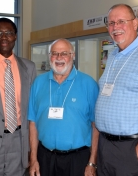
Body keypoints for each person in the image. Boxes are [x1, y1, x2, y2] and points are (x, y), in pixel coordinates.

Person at [95, 4, 138, 176]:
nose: (115, 27)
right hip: (105, 145)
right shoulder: (113, 56)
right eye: (111, 23)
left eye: (121, 21)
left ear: (135, 23)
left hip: (130, 148)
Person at [28, 38, 99, 176]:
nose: (59, 58)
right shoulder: (38, 83)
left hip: (77, 159)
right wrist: (33, 159)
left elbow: (96, 126)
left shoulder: (89, 84)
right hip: (45, 158)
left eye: (64, 53)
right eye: (54, 53)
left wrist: (92, 162)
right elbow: (32, 123)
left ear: (73, 56)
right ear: (49, 57)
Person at [0, 18, 36, 176]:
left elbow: (32, 110)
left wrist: (32, 151)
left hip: (19, 143)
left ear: (16, 36)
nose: (4, 37)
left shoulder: (29, 68)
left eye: (9, 33)